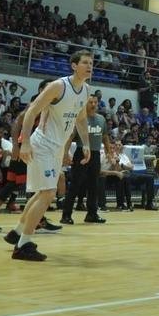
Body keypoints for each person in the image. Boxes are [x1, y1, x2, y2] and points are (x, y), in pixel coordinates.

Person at [9, 49, 93, 260]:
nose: (90, 66)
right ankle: (23, 245)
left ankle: (17, 232)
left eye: (91, 63)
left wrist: (85, 143)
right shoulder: (58, 86)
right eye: (85, 62)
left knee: (42, 193)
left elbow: (81, 119)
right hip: (43, 144)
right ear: (74, 66)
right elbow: (31, 111)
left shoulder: (86, 90)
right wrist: (25, 142)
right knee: (48, 194)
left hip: (57, 147)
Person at [60, 95, 109, 224]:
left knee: (94, 185)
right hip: (81, 153)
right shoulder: (80, 118)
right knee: (75, 184)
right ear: (85, 104)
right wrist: (65, 153)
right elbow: (70, 137)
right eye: (90, 102)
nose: (93, 104)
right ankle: (66, 215)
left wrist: (109, 152)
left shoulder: (101, 119)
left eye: (95, 102)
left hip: (95, 154)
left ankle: (92, 214)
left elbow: (105, 137)